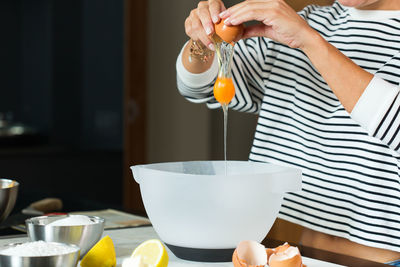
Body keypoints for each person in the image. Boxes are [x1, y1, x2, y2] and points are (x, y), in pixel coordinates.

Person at [176, 0, 400, 264]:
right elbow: (201, 87)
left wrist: (310, 42)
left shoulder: (303, 30)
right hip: (297, 254)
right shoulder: (309, 20)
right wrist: (202, 42)